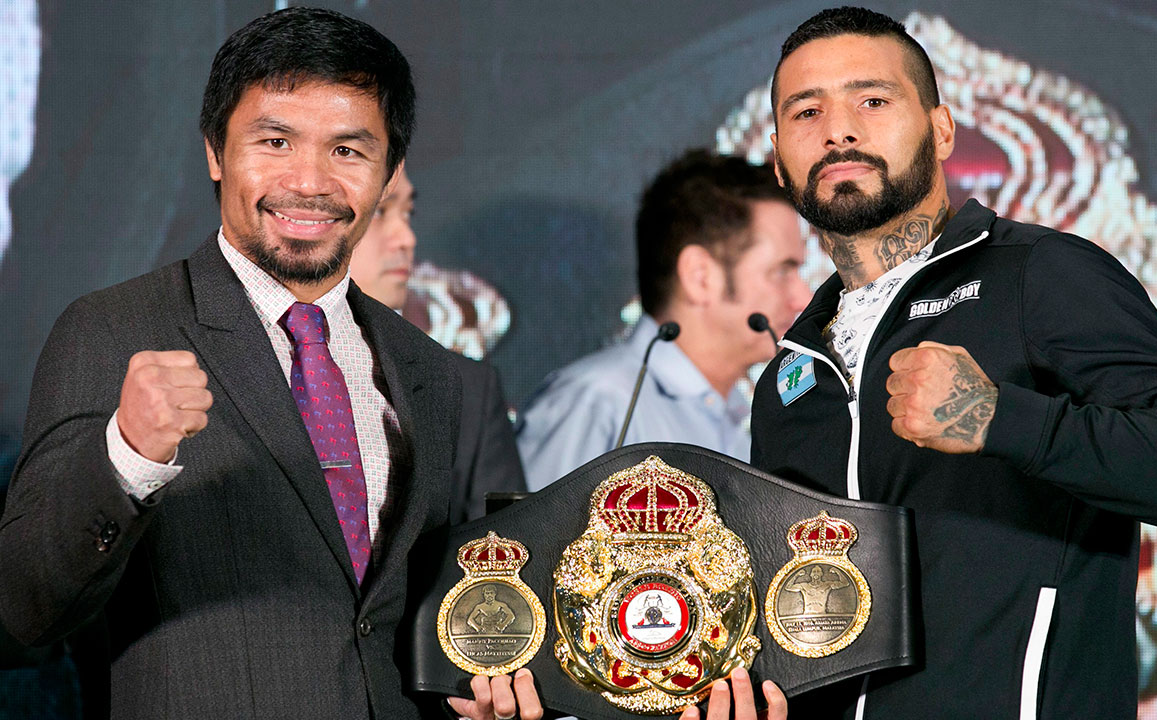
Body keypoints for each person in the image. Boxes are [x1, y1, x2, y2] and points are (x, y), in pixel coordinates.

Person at [0, 8, 538, 719]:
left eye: (349, 151)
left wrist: (476, 695)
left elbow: (417, 628)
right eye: (276, 141)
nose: (310, 181)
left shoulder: (427, 370)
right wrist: (127, 457)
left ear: (386, 172)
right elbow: (21, 611)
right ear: (216, 153)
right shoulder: (112, 330)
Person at [750, 7, 1157, 719]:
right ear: (779, 159)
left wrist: (1001, 418)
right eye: (806, 111)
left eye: (873, 100)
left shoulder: (1039, 275)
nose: (839, 129)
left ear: (941, 130)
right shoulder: (790, 374)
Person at [517, 149, 811, 489]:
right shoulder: (598, 402)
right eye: (782, 271)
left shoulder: (740, 414)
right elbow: (525, 541)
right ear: (700, 277)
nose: (803, 298)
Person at [348, 173, 527, 523]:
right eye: (381, 212)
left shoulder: (467, 390)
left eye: (408, 213)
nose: (406, 239)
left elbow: (513, 554)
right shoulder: (222, 369)